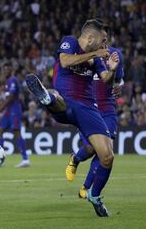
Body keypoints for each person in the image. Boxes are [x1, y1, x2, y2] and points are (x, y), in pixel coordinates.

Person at [25, 18, 119, 217]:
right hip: (66, 103)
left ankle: (94, 196)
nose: (105, 44)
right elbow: (65, 61)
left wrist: (111, 69)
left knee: (107, 156)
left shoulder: (98, 58)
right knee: (56, 97)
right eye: (103, 40)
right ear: (91, 37)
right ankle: (46, 97)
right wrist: (95, 54)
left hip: (88, 108)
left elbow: (106, 81)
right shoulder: (70, 42)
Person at [65, 44, 124, 199]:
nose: (102, 42)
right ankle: (75, 159)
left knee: (105, 151)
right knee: (91, 148)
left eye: (104, 39)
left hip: (107, 108)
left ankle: (86, 187)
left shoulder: (115, 54)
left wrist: (118, 86)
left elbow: (119, 80)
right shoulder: (83, 55)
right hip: (88, 107)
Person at [0, 62, 30, 167]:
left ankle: (25, 159)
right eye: (3, 69)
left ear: (11, 70)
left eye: (7, 69)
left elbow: (11, 98)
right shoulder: (7, 82)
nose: (4, 71)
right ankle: (0, 159)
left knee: (16, 132)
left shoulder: (13, 80)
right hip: (8, 111)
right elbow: (7, 98)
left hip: (15, 110)